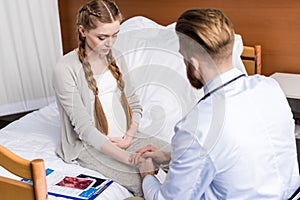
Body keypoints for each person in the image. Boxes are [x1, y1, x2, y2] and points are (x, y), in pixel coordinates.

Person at [131, 8, 300, 199]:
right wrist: (169, 156)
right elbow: (235, 152)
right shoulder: (270, 88)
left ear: (194, 64)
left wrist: (146, 175)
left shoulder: (197, 127)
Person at [52, 0, 169, 196]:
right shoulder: (65, 69)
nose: (110, 43)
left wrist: (128, 138)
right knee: (142, 182)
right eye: (102, 37)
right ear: (83, 31)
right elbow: (85, 130)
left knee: (182, 158)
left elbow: (135, 104)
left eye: (115, 36)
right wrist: (132, 159)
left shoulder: (117, 57)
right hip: (90, 147)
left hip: (127, 138)